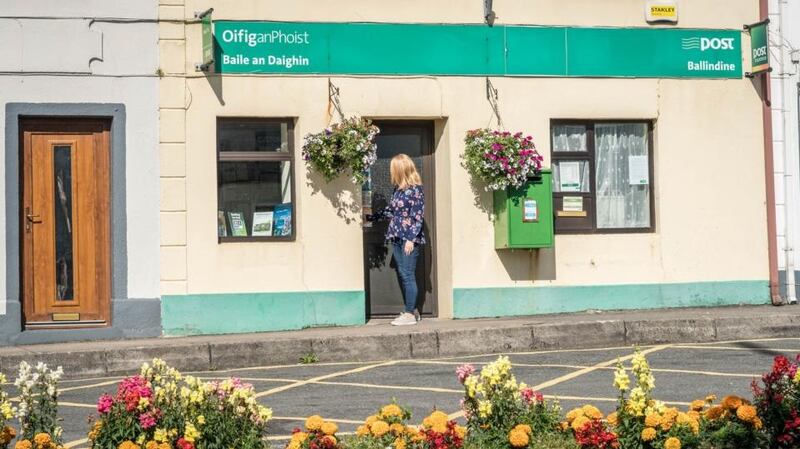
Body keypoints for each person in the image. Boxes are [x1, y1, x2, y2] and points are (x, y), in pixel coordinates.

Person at [370, 154, 425, 326]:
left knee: (408, 275)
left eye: (393, 168)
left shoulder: (415, 190)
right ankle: (413, 310)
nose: (391, 171)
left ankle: (409, 314)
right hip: (396, 236)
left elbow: (418, 216)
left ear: (401, 169)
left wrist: (411, 239)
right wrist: (372, 217)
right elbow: (392, 211)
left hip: (408, 238)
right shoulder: (398, 190)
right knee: (403, 273)